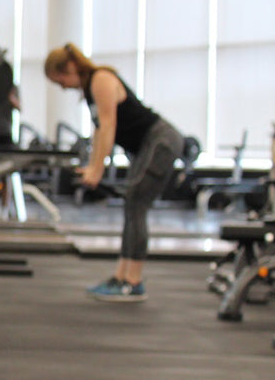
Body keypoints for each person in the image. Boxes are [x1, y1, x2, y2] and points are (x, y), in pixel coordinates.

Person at [44, 43, 184, 302]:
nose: (62, 86)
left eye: (60, 79)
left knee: (136, 203)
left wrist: (98, 169)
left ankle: (133, 280)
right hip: (146, 146)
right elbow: (99, 132)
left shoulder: (101, 79)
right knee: (132, 204)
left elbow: (109, 126)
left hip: (160, 141)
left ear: (71, 67)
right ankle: (121, 276)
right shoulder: (90, 90)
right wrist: (93, 166)